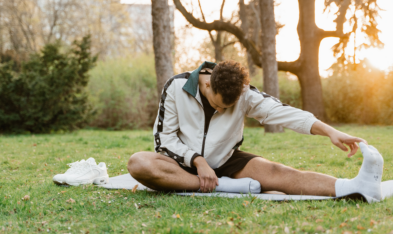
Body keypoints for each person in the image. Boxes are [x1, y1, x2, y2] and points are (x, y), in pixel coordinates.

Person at [128, 60, 384, 200]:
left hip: (227, 160)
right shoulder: (176, 87)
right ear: (207, 86)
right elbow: (164, 141)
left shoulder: (244, 93)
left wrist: (329, 131)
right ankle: (222, 186)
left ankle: (354, 187)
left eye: (229, 108)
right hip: (182, 165)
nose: (222, 110)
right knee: (139, 163)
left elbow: (282, 112)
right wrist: (197, 161)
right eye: (218, 104)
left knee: (279, 172)